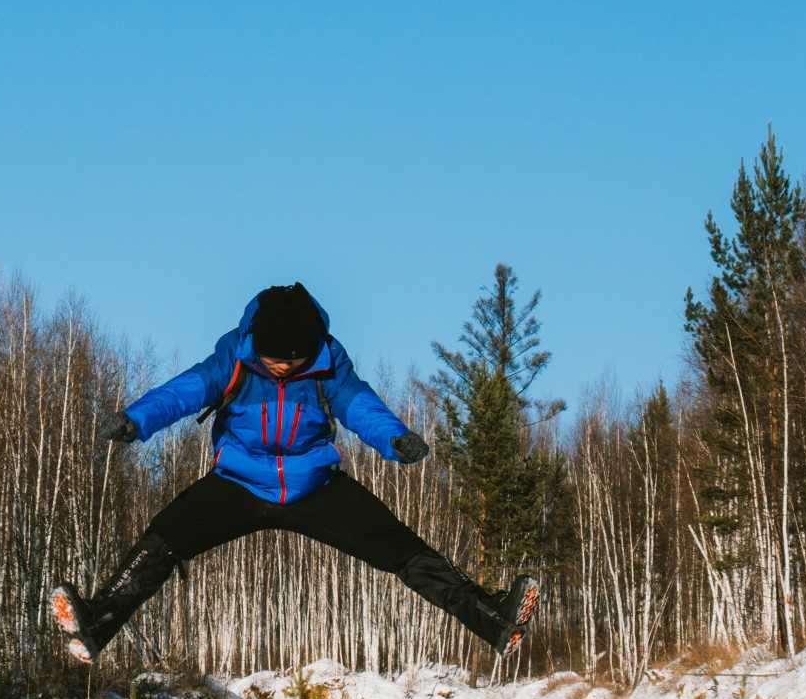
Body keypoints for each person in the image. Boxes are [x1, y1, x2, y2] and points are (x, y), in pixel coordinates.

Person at [52, 282, 539, 665]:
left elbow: (356, 402)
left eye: (293, 359)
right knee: (162, 540)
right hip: (239, 483)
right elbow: (187, 389)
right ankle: (96, 624)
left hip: (314, 485)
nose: (283, 367)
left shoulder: (329, 361)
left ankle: (494, 620)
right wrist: (136, 420)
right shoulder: (236, 355)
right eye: (274, 359)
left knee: (404, 551)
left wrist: (394, 438)